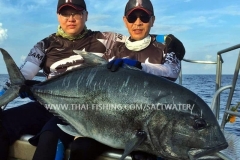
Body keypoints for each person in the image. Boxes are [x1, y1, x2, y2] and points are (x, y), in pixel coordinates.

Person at [0, 0, 184, 160]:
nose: (71, 18)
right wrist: (12, 93)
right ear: (58, 16)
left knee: (50, 136)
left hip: (79, 108)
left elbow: (136, 38)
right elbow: (25, 74)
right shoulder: (44, 44)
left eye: (76, 13)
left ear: (86, 15)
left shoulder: (106, 39)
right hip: (48, 99)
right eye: (65, 13)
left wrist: (166, 38)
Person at [68, 0, 185, 160]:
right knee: (80, 148)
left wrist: (139, 66)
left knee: (143, 157)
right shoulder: (114, 49)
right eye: (132, 18)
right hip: (110, 122)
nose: (137, 23)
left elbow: (171, 72)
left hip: (147, 129)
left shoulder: (164, 48)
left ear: (152, 20)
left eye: (143, 17)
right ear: (125, 21)